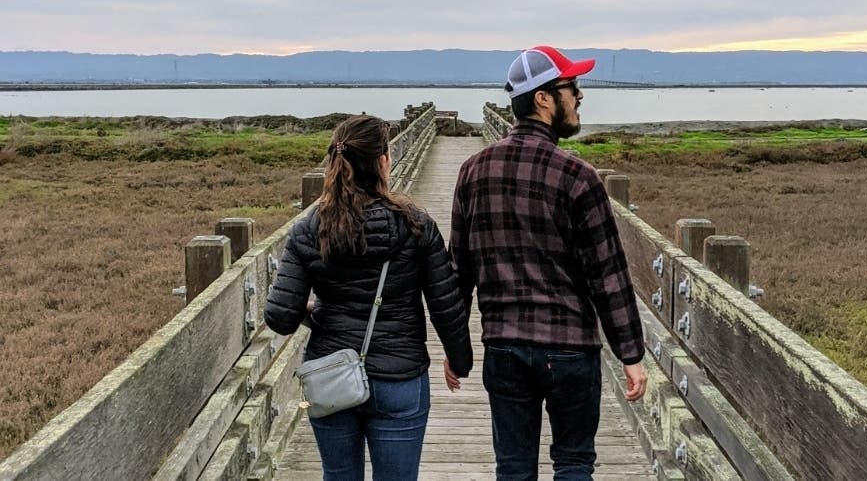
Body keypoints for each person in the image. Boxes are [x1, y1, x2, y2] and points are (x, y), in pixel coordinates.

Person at [446, 45, 647, 480]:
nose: (578, 97)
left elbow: (458, 272)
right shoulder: (578, 177)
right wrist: (630, 354)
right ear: (542, 97)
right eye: (571, 87)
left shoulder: (472, 172)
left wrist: (455, 348)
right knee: (574, 464)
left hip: (504, 347)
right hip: (571, 347)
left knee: (514, 468)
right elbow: (608, 276)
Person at [265, 114, 473, 481]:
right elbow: (446, 306)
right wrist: (460, 361)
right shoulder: (416, 224)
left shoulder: (308, 230)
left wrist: (317, 311)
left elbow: (280, 317)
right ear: (382, 162)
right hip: (400, 377)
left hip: (331, 375)